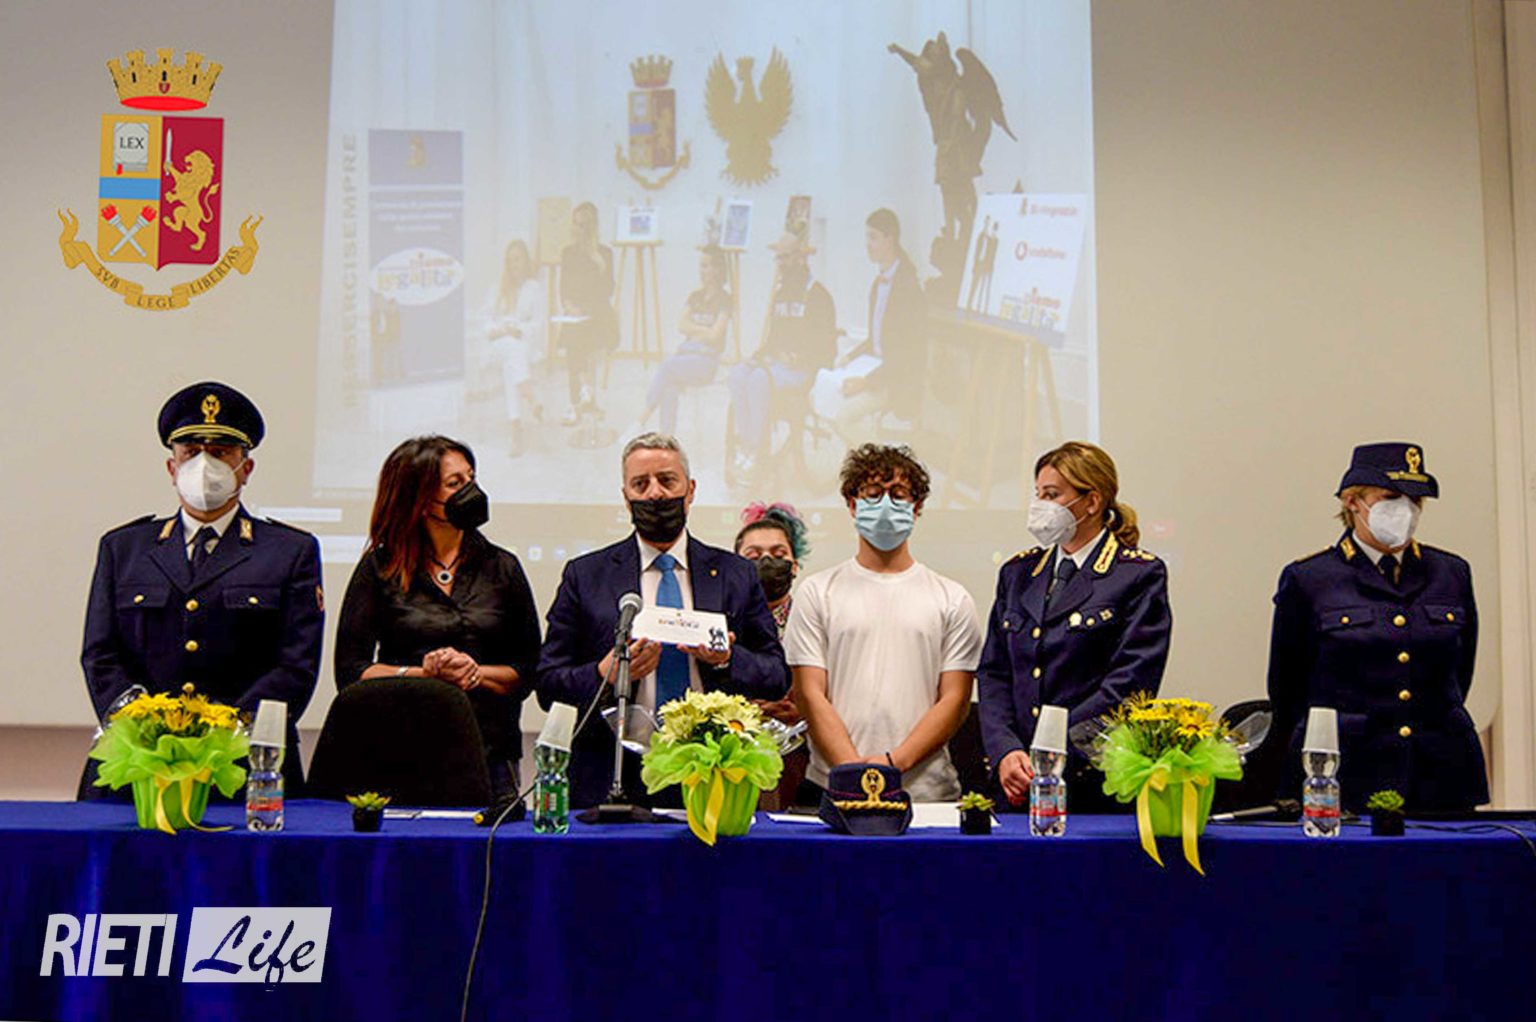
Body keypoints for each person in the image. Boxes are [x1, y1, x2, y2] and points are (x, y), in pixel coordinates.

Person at [79, 382, 323, 799]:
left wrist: (222, 732)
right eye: (191, 452)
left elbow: (296, 664)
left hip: (246, 765)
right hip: (136, 761)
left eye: (221, 452)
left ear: (246, 468)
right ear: (171, 467)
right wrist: (145, 725)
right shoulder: (124, 548)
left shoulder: (289, 551)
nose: (204, 464)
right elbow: (100, 653)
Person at [536, 433, 790, 808]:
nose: (655, 493)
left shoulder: (735, 574)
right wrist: (605, 674)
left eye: (667, 480)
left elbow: (776, 676)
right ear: (626, 497)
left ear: (690, 490)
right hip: (610, 775)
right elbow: (547, 684)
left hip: (713, 776)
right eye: (641, 484)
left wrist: (726, 659)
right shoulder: (586, 575)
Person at [1266, 442, 1487, 811]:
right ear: (1353, 500)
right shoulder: (1310, 578)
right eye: (1391, 498)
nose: (1406, 510)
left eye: (1415, 500)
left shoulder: (1450, 573)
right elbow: (1287, 688)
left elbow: (1460, 672)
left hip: (1439, 771)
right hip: (1348, 772)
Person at [333, 436, 541, 799]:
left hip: (490, 753)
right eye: (454, 484)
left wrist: (474, 673)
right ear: (419, 497)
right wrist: (425, 675)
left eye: (471, 479)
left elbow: (527, 670)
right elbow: (351, 672)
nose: (471, 492)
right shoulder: (379, 568)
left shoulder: (502, 567)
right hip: (400, 748)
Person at [976, 441, 1171, 813]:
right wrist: (1006, 750)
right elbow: (994, 672)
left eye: (1052, 495)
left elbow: (1130, 684)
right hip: (1016, 783)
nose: (1040, 506)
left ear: (1092, 502)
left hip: (1089, 782)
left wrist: (1049, 749)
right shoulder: (1018, 573)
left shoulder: (1137, 574)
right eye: (1038, 495)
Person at [785, 444, 982, 802]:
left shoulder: (952, 598)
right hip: (831, 788)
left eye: (899, 494)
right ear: (852, 504)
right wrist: (854, 774)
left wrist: (892, 765)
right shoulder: (817, 592)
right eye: (873, 494)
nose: (886, 505)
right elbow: (810, 693)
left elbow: (955, 698)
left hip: (926, 794)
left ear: (917, 507)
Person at [727, 232, 836, 479]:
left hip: (803, 371)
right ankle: (746, 445)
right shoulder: (781, 294)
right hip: (777, 367)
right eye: (779, 258)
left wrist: (801, 358)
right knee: (738, 374)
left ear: (801, 258)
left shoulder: (818, 295)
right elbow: (773, 339)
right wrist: (758, 356)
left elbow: (827, 346)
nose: (782, 263)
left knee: (758, 379)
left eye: (786, 257)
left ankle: (757, 452)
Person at [811, 209, 928, 436]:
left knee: (844, 415)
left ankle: (871, 456)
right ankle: (862, 452)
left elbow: (907, 352)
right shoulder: (878, 285)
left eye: (873, 237)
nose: (867, 244)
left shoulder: (908, 287)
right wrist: (849, 358)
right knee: (817, 396)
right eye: (867, 237)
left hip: (895, 377)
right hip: (873, 367)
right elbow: (877, 340)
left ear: (889, 240)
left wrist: (867, 382)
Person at [735, 500, 812, 806]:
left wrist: (805, 710)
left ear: (795, 565)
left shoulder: (813, 617)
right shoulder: (723, 619)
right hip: (735, 749)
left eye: (779, 555)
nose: (767, 562)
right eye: (754, 557)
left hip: (804, 755)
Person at [642, 246, 733, 434]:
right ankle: (667, 437)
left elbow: (715, 335)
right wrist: (704, 330)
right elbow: (681, 325)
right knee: (668, 386)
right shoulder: (695, 296)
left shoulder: (725, 299)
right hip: (686, 354)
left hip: (705, 361)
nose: (702, 271)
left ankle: (642, 417)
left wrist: (696, 330)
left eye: (707, 266)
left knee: (667, 366)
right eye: (701, 266)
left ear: (718, 269)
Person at [481, 240, 546, 455]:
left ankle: (516, 426)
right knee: (511, 350)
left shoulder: (534, 288)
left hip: (521, 342)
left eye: (517, 259)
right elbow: (485, 321)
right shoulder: (497, 289)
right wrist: (501, 330)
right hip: (497, 343)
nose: (514, 264)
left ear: (525, 261)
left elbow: (538, 323)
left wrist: (518, 329)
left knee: (512, 362)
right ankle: (530, 395)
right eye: (510, 260)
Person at [558, 201, 618, 425]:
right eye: (575, 223)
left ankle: (579, 400)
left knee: (578, 340)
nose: (577, 229)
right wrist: (570, 306)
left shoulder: (604, 254)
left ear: (592, 227)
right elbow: (563, 289)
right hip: (576, 316)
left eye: (583, 224)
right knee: (574, 337)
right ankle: (584, 396)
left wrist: (599, 265)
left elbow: (608, 290)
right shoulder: (568, 253)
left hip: (599, 316)